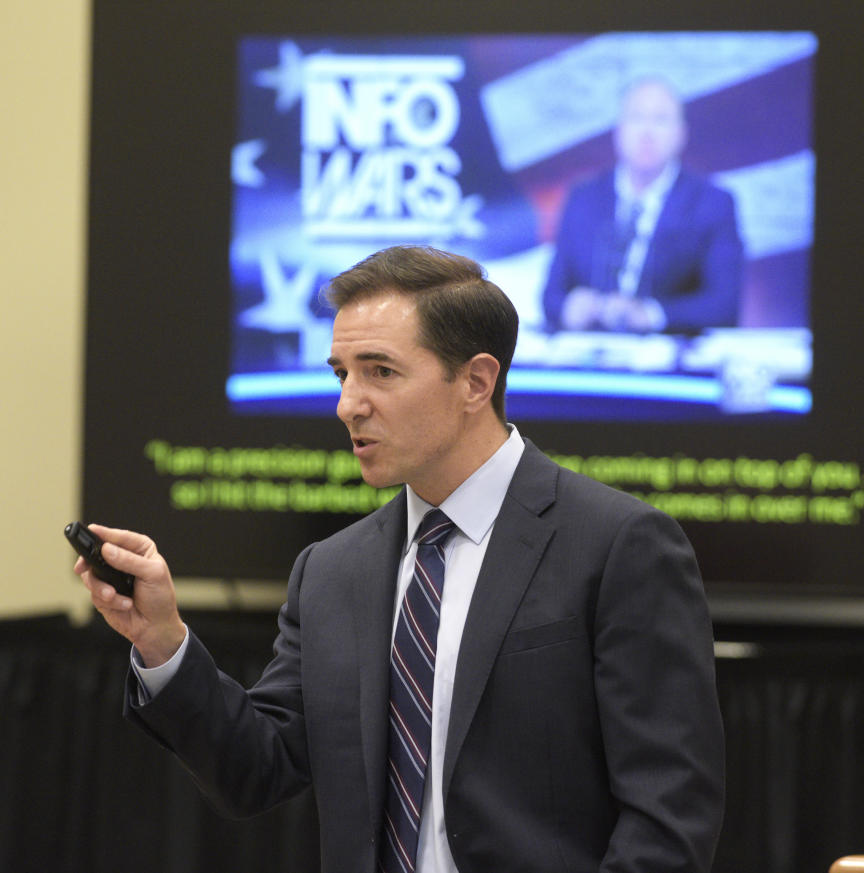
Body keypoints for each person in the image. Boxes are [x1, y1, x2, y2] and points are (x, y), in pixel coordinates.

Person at [76, 245, 724, 873]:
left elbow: (668, 815)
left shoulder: (619, 546)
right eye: (341, 373)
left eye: (380, 371)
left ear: (475, 381)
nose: (347, 404)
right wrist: (161, 641)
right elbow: (256, 769)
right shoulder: (329, 570)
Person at [542, 77, 744, 334]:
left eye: (660, 120)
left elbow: (724, 306)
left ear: (681, 134)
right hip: (589, 358)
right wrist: (568, 308)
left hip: (667, 363)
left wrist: (652, 314)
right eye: (636, 118)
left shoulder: (712, 202)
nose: (646, 132)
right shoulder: (583, 197)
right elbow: (551, 297)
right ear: (618, 130)